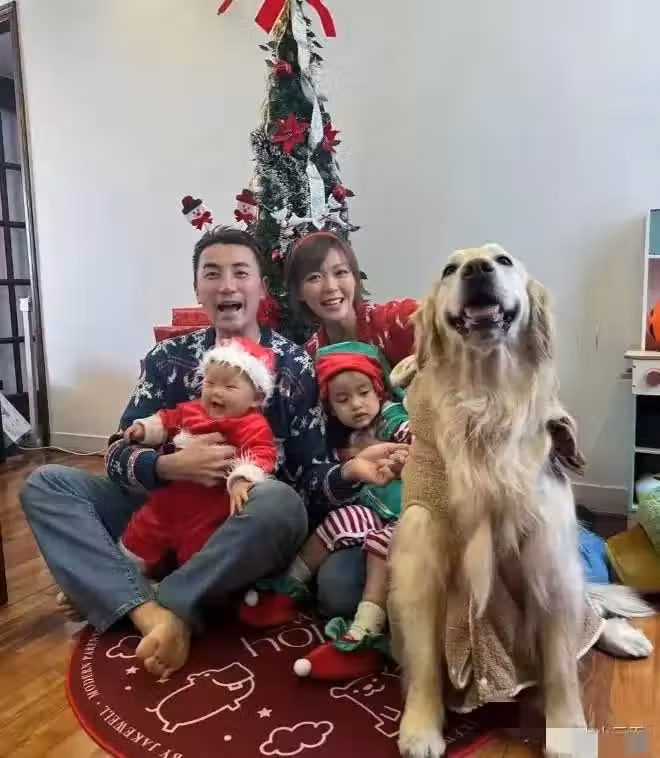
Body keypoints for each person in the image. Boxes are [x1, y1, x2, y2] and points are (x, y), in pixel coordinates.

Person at [20, 227, 408, 678]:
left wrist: (350, 471)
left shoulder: (295, 366)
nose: (227, 285)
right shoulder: (168, 359)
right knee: (46, 484)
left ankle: (135, 592)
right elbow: (116, 454)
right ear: (197, 289)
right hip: (160, 516)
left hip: (242, 531)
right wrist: (167, 465)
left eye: (240, 273)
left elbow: (312, 480)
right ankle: (155, 616)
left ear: (261, 288)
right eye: (213, 274)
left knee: (280, 501)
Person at [241, 342, 409, 680]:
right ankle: (287, 588)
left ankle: (364, 632)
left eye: (364, 393)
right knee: (340, 520)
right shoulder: (336, 435)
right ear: (329, 406)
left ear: (378, 390)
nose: (356, 405)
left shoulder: (391, 417)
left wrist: (404, 451)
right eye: (342, 399)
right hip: (370, 508)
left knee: (383, 545)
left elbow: (417, 437)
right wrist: (351, 458)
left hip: (403, 516)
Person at [120, 338, 278, 573]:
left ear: (256, 398)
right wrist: (144, 429)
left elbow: (262, 453)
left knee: (201, 551)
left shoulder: (253, 425)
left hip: (210, 510)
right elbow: (168, 418)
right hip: (169, 499)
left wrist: (242, 479)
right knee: (142, 531)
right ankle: (126, 576)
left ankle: (182, 585)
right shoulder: (192, 409)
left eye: (230, 387)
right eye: (210, 382)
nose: (216, 391)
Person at [284, 231, 418, 368]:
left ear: (355, 279)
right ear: (298, 292)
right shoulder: (307, 361)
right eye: (314, 277)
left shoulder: (397, 320)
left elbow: (429, 313)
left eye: (340, 272)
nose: (330, 287)